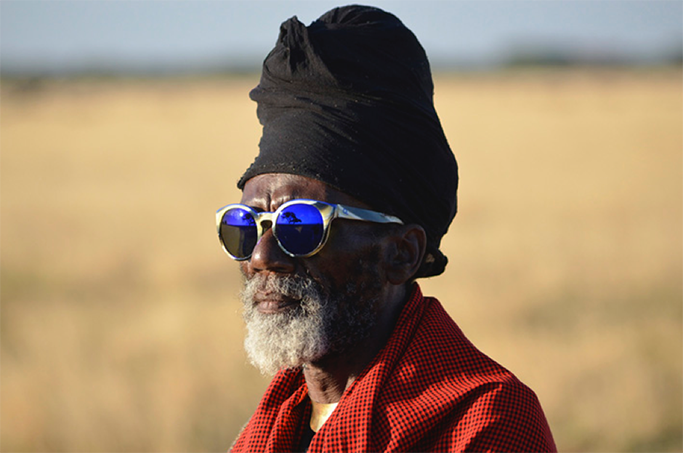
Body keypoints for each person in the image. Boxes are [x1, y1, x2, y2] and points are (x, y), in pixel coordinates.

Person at [217, 5, 557, 452]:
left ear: (400, 253)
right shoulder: (274, 424)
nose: (262, 256)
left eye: (300, 225)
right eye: (243, 224)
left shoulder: (484, 423)